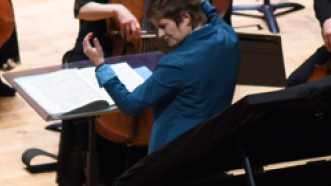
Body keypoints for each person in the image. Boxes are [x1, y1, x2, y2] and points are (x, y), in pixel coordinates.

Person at [83, 0, 239, 153]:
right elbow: (211, 13)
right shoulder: (228, 36)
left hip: (171, 156)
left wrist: (101, 65)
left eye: (164, 26)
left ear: (186, 18)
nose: (160, 34)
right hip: (213, 148)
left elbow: (129, 104)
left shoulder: (176, 63)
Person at [56, 0, 143, 186]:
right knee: (84, 107)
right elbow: (81, 9)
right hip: (95, 45)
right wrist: (116, 10)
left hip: (137, 48)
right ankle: (75, 181)